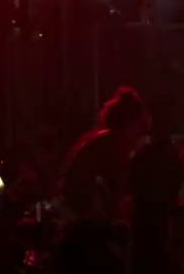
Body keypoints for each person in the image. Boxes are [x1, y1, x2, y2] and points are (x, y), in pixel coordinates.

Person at [59, 86, 151, 220]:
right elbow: (121, 186)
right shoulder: (115, 142)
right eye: (138, 126)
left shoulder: (102, 138)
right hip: (82, 213)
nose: (139, 135)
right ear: (128, 122)